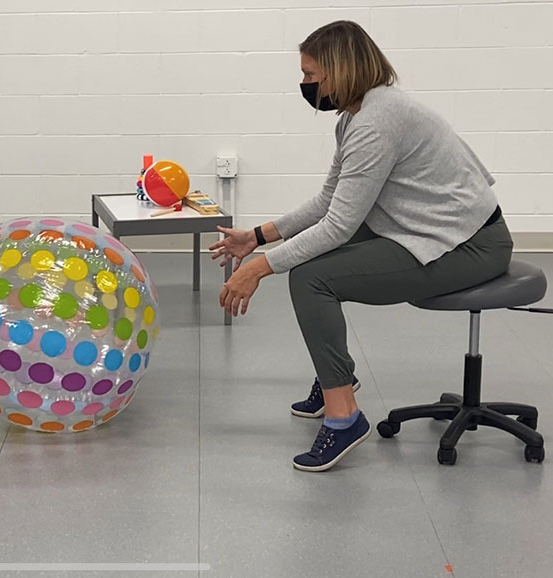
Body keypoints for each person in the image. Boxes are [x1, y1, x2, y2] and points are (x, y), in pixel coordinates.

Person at [210, 21, 512, 472]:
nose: (306, 85)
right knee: (314, 262)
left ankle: (344, 416)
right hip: (427, 229)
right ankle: (339, 380)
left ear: (341, 71)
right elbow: (331, 200)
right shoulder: (357, 116)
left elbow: (336, 226)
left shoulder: (376, 122)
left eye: (312, 75)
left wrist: (259, 267)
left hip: (469, 245)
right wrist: (255, 237)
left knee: (312, 277)